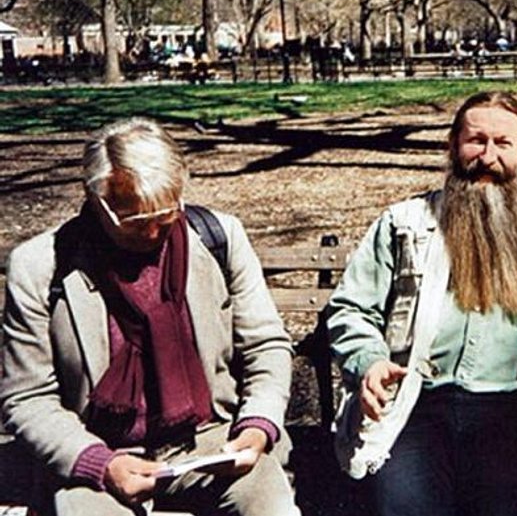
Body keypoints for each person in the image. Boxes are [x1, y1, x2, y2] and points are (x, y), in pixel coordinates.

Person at [327, 91, 517, 516]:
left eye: (503, 144)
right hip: (415, 404)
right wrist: (368, 361)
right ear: (453, 145)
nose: (487, 156)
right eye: (476, 140)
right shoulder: (406, 224)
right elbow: (352, 308)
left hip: (515, 409)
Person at [0, 119, 299, 516]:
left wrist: (257, 424)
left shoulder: (218, 238)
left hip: (212, 440)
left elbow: (266, 346)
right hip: (100, 450)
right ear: (95, 198)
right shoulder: (39, 267)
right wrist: (99, 463)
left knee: (270, 504)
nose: (156, 232)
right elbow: (27, 396)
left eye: (168, 213)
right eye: (138, 222)